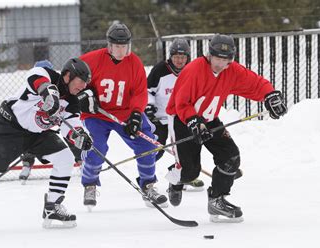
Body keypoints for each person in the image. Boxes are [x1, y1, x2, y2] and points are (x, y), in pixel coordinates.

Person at [0, 57, 94, 233]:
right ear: (67, 75)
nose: (83, 87)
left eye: (86, 84)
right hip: (8, 127)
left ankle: (52, 206)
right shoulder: (47, 75)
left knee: (65, 158)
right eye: (81, 81)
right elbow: (35, 78)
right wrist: (48, 92)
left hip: (37, 134)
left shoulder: (72, 102)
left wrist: (79, 136)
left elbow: (70, 125)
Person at [165, 34, 287, 221]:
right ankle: (175, 180)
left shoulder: (232, 71)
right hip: (183, 120)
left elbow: (255, 83)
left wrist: (269, 95)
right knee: (190, 172)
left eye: (225, 60)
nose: (220, 64)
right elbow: (181, 103)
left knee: (230, 157)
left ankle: (216, 200)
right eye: (217, 59)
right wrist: (193, 122)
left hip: (209, 119)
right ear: (209, 55)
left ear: (231, 59)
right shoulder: (194, 70)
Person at [78, 22, 167, 210]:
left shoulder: (135, 63)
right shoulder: (92, 60)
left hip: (126, 113)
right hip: (97, 114)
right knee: (97, 147)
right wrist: (84, 95)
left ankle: (148, 184)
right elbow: (73, 76)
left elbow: (140, 92)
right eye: (117, 46)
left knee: (148, 144)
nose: (120, 50)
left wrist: (136, 114)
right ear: (109, 45)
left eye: (124, 46)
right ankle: (90, 183)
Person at [145, 38, 205, 191]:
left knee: (188, 148)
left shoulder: (192, 71)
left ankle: (184, 176)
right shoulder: (160, 70)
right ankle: (146, 177)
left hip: (181, 119)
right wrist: (148, 105)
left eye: (183, 57)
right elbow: (147, 90)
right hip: (160, 119)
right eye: (176, 57)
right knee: (156, 151)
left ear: (188, 58)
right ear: (170, 56)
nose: (179, 60)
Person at [18, 60, 83, 183]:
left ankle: (81, 162)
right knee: (26, 132)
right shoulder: (31, 86)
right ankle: (27, 164)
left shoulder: (60, 86)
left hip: (51, 124)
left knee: (70, 132)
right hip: (35, 123)